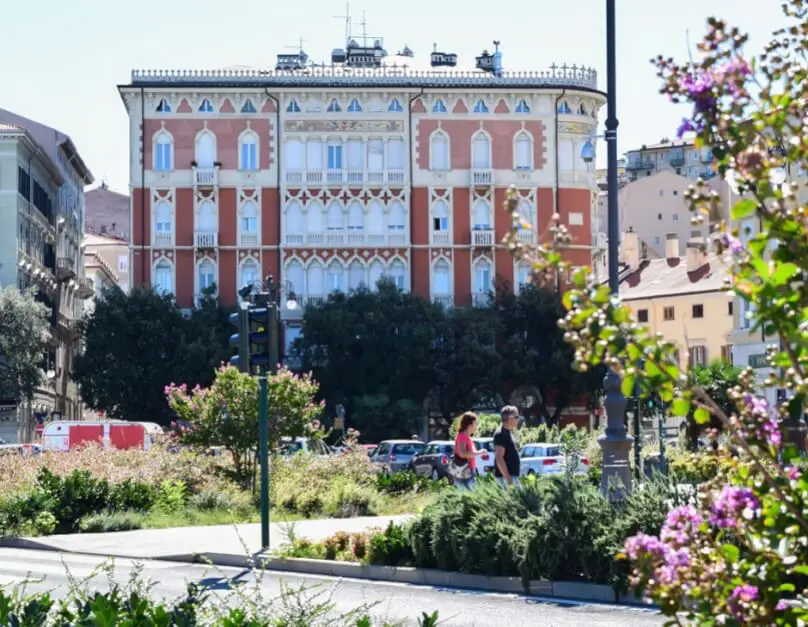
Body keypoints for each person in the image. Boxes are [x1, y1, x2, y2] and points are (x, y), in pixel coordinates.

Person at [452, 412, 485, 489]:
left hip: (466, 470)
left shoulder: (466, 436)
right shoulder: (462, 436)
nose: (477, 426)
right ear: (469, 425)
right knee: (469, 497)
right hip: (464, 471)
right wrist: (479, 452)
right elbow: (462, 453)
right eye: (475, 423)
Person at [494, 405, 521, 487]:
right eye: (516, 417)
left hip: (511, 477)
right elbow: (499, 458)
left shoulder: (508, 432)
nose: (518, 420)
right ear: (510, 418)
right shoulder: (500, 434)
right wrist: (508, 479)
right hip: (506, 479)